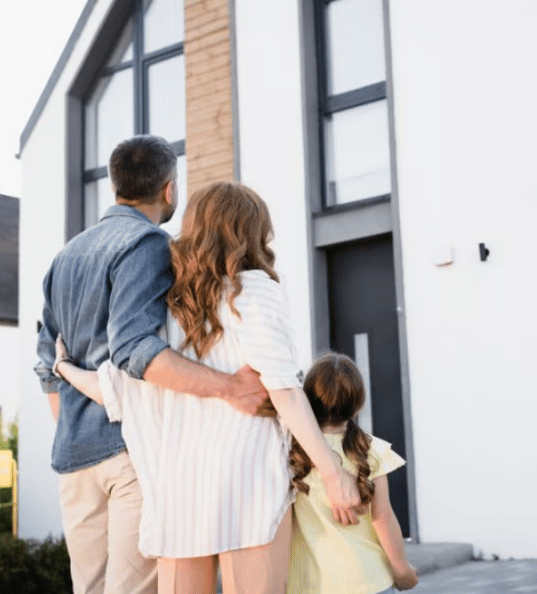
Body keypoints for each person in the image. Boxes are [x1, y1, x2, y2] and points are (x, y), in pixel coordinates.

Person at [52, 181, 360, 594]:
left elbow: (115, 388)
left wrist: (63, 367)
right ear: (251, 232)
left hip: (179, 495)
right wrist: (333, 471)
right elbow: (284, 391)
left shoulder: (162, 309)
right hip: (249, 487)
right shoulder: (254, 290)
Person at [36, 136, 292, 594]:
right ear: (169, 189)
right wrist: (230, 387)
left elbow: (47, 366)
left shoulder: (65, 256)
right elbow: (136, 349)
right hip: (129, 451)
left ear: (115, 185)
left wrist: (76, 429)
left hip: (74, 456)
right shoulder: (150, 245)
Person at [288, 352, 419, 594]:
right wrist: (403, 572)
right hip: (369, 580)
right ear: (358, 403)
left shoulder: (291, 454)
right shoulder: (371, 450)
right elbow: (383, 518)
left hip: (308, 585)